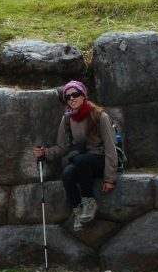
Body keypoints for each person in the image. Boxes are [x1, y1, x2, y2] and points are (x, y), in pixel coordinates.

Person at [35, 80, 118, 231]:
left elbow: (111, 148)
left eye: (75, 94)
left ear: (83, 95)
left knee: (80, 160)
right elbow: (62, 147)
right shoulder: (67, 118)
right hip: (83, 162)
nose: (71, 98)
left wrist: (110, 179)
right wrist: (45, 152)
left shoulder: (100, 116)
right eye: (67, 96)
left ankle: (89, 204)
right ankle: (78, 212)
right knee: (67, 174)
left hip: (101, 160)